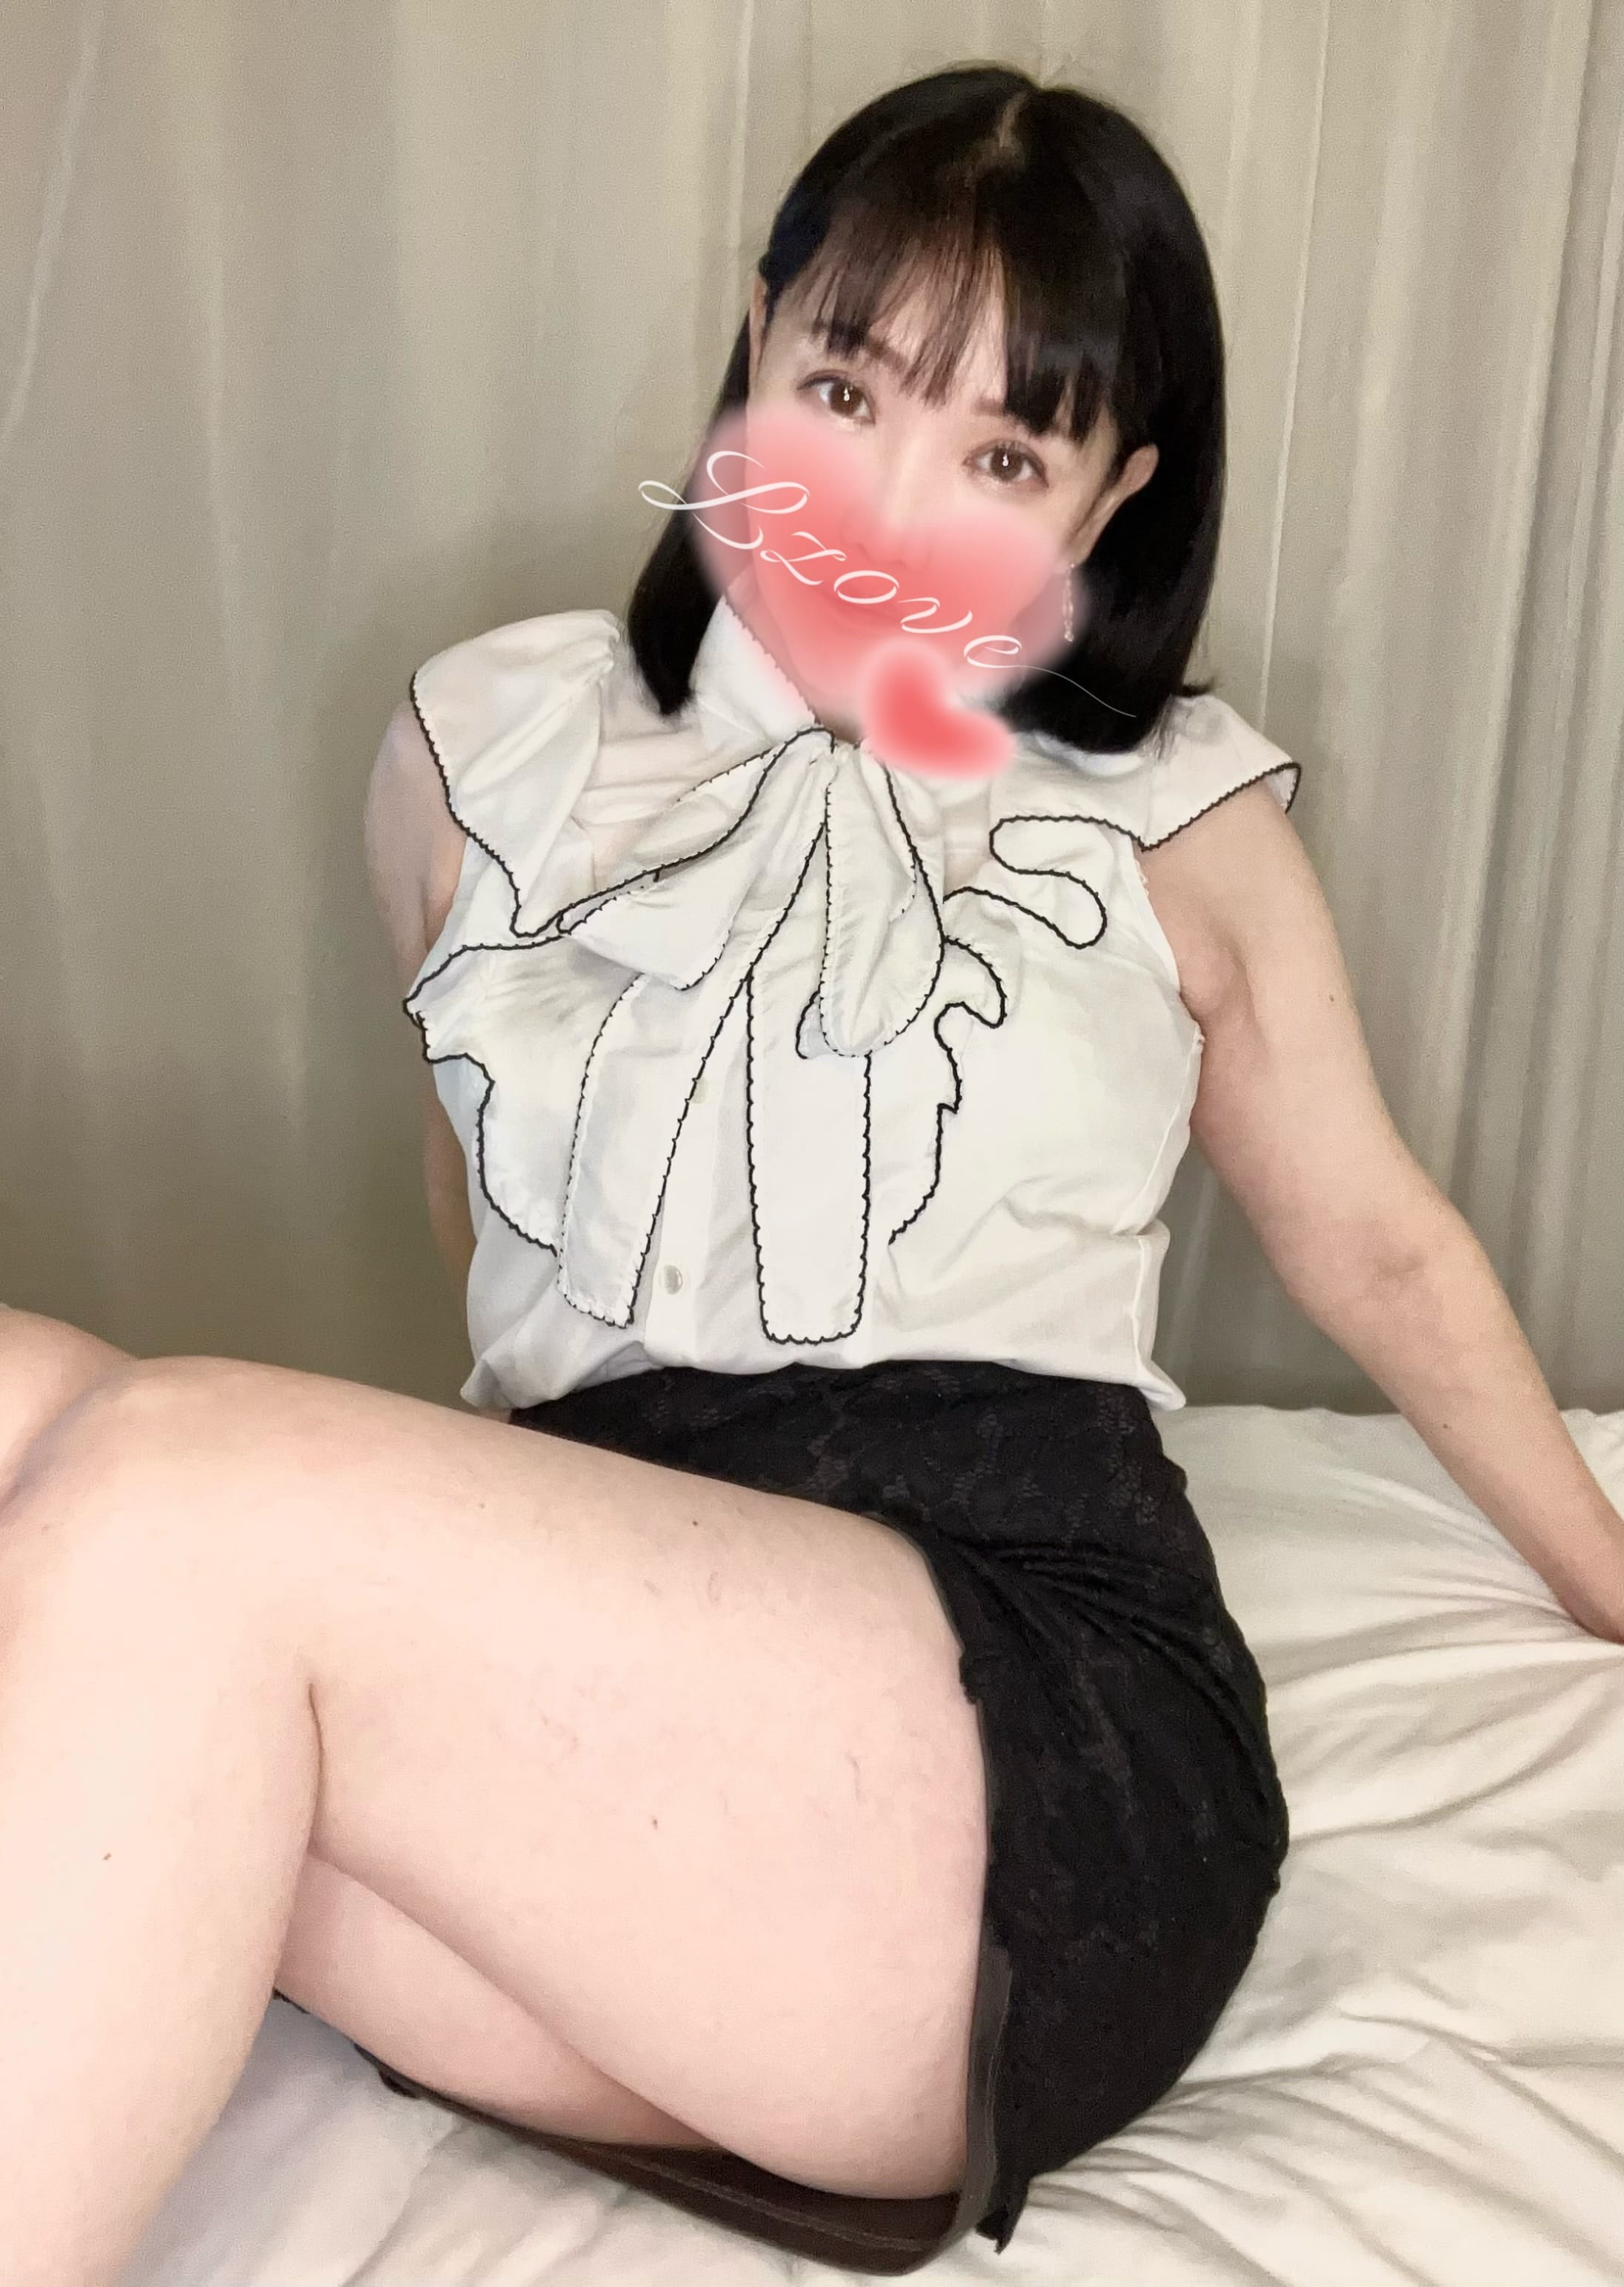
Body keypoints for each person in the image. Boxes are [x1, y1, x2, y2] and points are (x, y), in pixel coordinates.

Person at [3, 62, 1621, 2287]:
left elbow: (1379, 1245)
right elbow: (495, 1241)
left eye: (1004, 456)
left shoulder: (1182, 814)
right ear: (754, 336)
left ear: (1115, 492)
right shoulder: (479, 744)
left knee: (168, 1478)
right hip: (625, 1741)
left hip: (1004, 1727)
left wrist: (1611, 1578)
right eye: (845, 392)